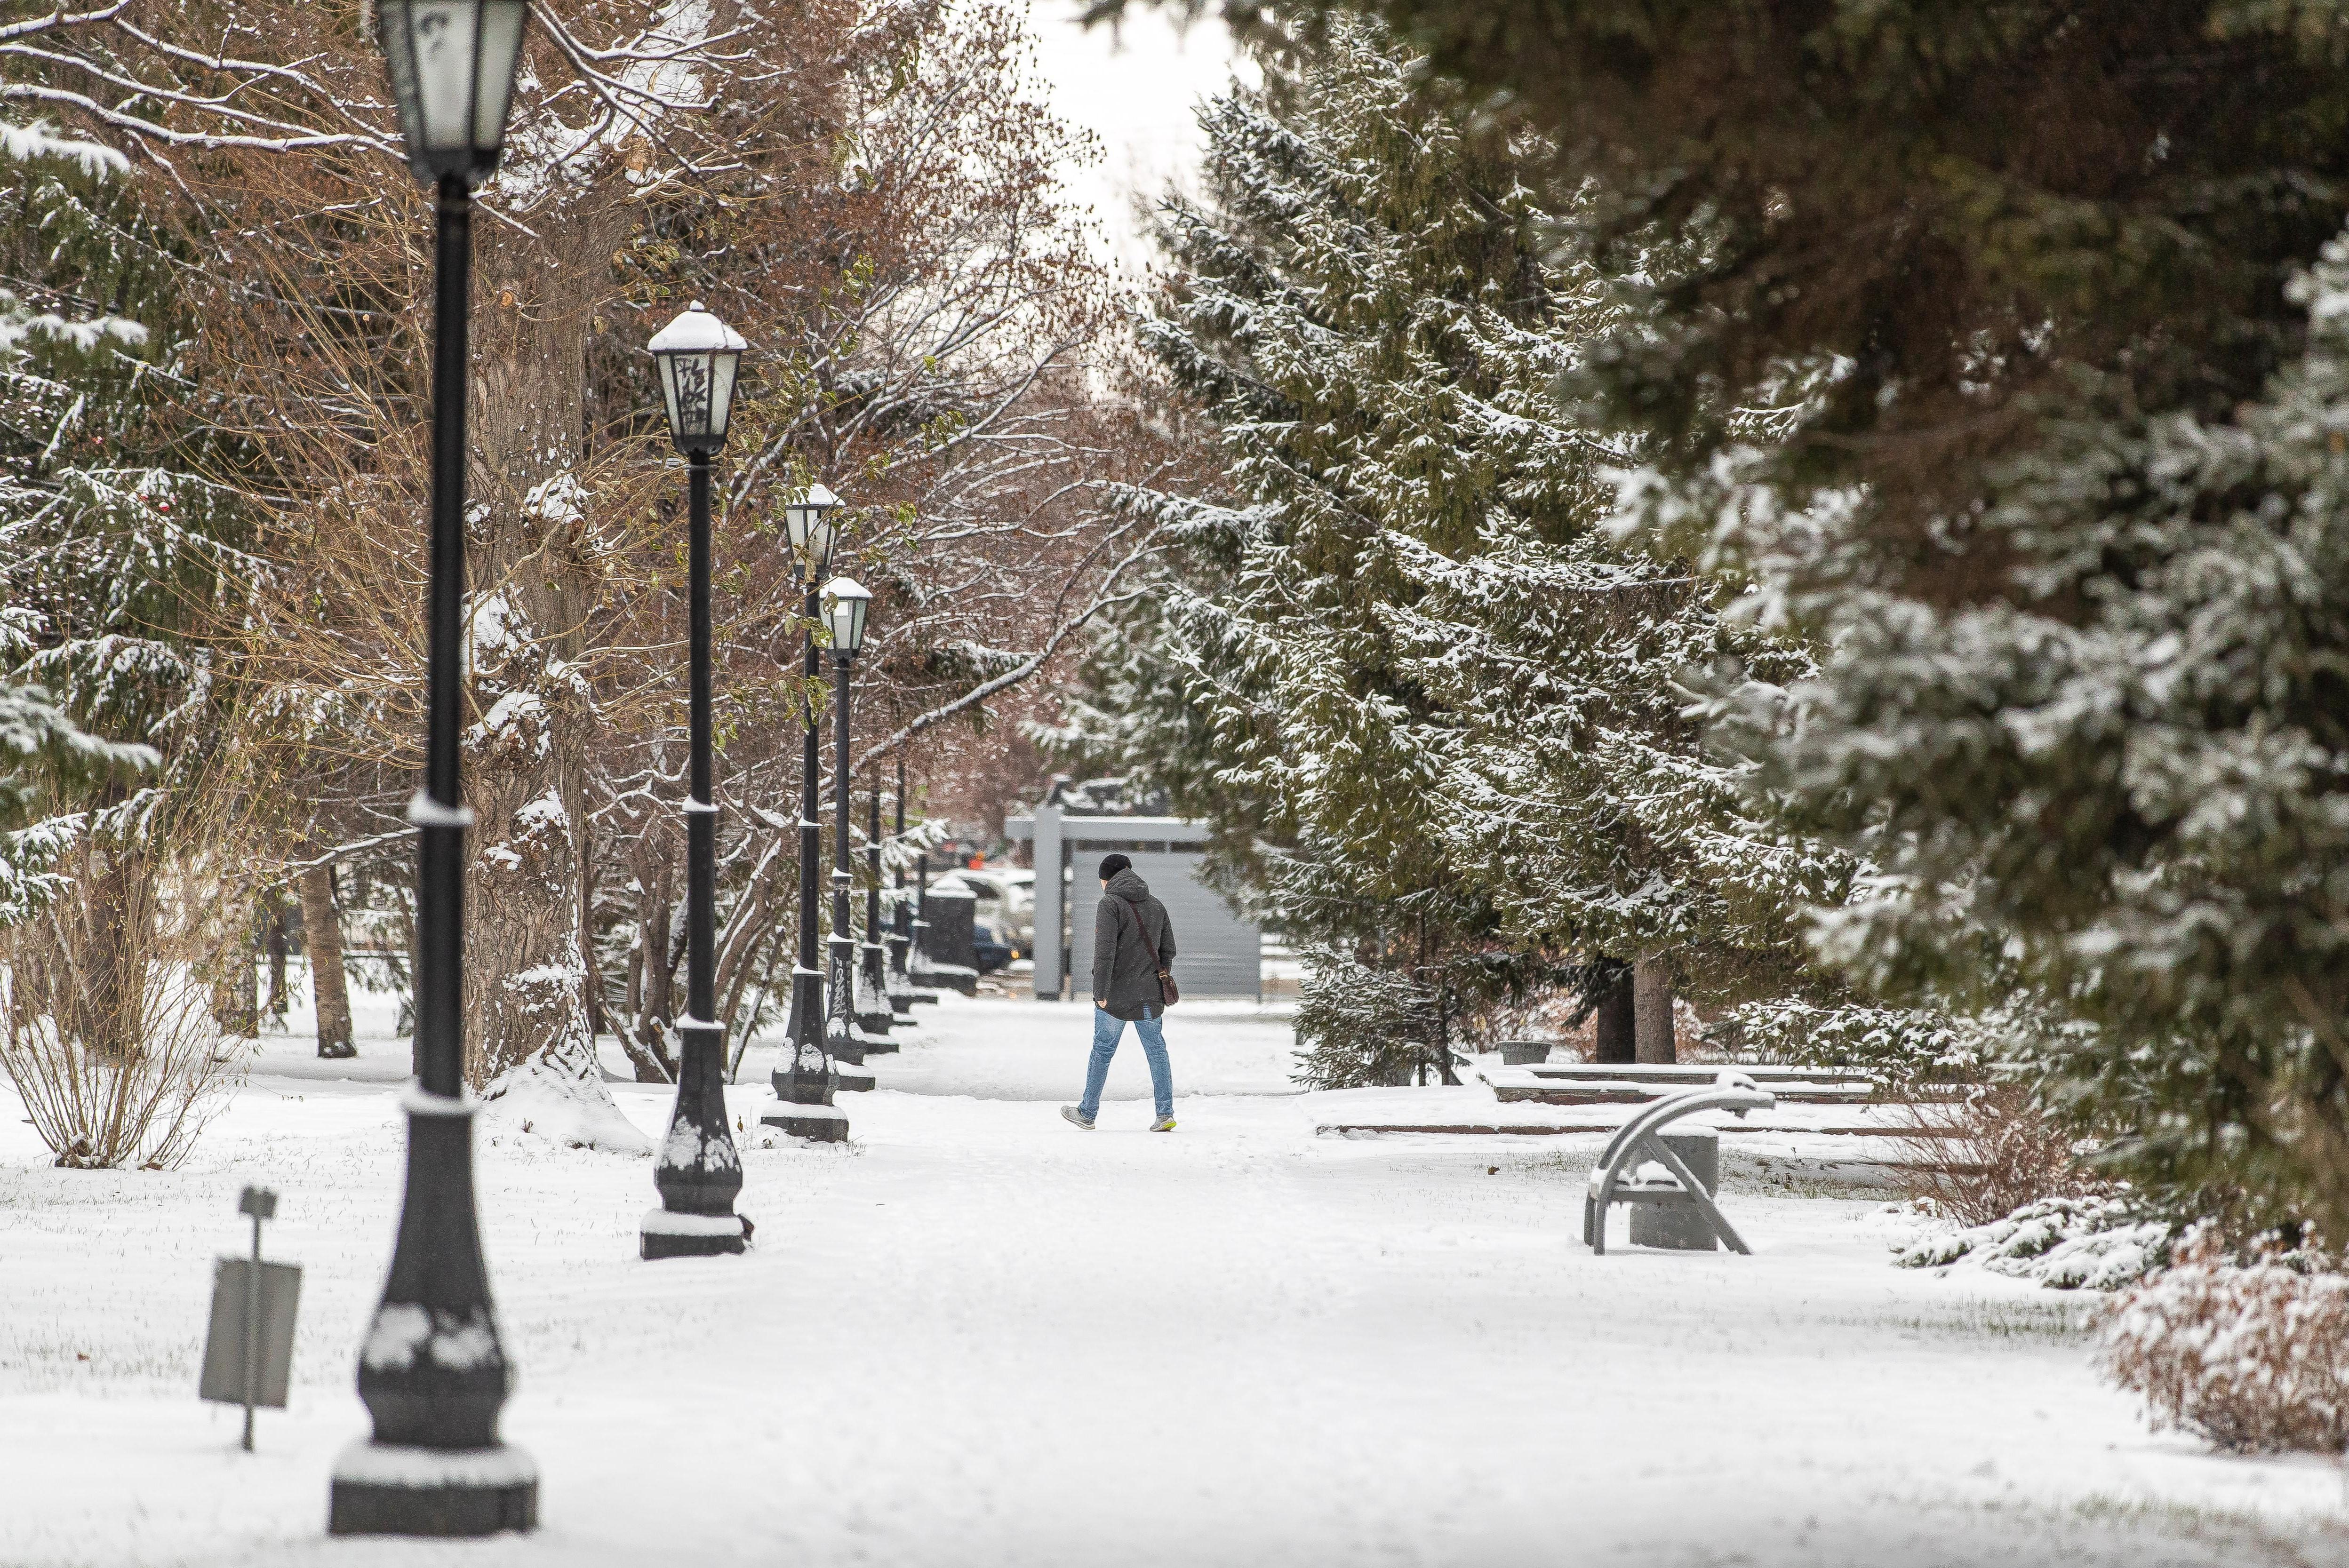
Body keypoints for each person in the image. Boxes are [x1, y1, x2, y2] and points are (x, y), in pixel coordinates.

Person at [1061, 853, 1177, 1131]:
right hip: (1149, 994)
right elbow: (1168, 951)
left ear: (1107, 878)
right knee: (1157, 1052)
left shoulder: (1110, 904)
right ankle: (1165, 1114)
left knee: (1102, 1051)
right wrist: (1154, 979)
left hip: (1115, 995)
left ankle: (1087, 1113)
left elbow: (1105, 953)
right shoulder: (1156, 905)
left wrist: (1100, 991)